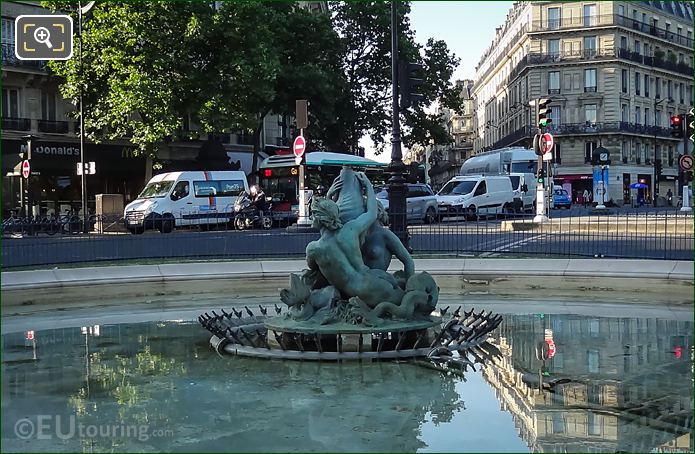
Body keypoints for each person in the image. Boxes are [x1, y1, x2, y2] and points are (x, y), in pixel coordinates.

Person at [306, 173, 404, 309]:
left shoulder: (314, 249)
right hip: (374, 277)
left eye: (313, 214)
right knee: (406, 302)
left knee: (404, 306)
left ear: (318, 219)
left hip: (360, 291)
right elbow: (372, 213)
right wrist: (368, 186)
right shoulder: (349, 230)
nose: (311, 218)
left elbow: (313, 270)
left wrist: (329, 197)